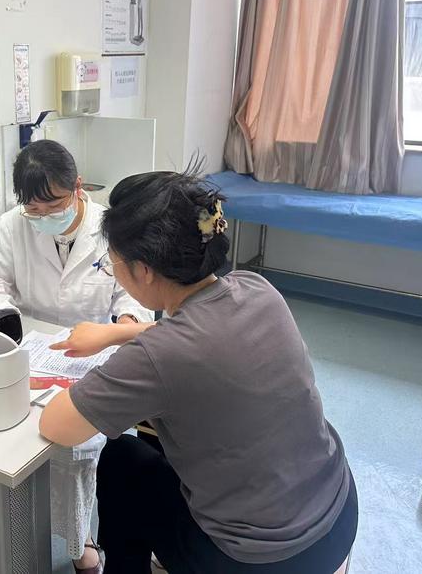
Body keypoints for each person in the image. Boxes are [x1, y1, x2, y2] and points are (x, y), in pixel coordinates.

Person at [39, 168, 358, 574]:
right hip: (337, 514)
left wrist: (117, 355)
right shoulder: (256, 288)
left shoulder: (157, 357)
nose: (113, 269)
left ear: (143, 271)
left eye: (112, 262)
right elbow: (198, 337)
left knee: (121, 460)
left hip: (257, 560)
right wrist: (114, 334)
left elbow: (57, 426)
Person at [0, 139, 152, 573]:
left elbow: (133, 297)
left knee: (75, 447)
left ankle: (79, 540)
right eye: (33, 208)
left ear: (77, 186)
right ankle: (19, 526)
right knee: (17, 436)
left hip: (96, 351)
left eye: (53, 204)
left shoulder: (109, 230)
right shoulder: (11, 225)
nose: (43, 215)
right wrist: (10, 331)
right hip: (29, 350)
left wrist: (120, 328)